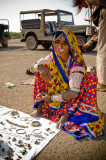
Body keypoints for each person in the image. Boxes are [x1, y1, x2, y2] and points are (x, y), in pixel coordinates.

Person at [30, 29, 104, 140]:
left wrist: (50, 97)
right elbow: (29, 69)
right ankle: (40, 107)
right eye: (57, 42)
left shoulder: (76, 66)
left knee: (86, 82)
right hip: (58, 90)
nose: (59, 46)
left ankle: (67, 114)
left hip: (70, 95)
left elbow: (74, 93)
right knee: (39, 73)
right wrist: (39, 67)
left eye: (64, 43)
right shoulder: (52, 56)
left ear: (70, 46)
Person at [73, 0, 106, 92]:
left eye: (82, 5)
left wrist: (91, 41)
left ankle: (103, 83)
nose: (85, 7)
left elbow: (83, 47)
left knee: (102, 50)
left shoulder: (73, 48)